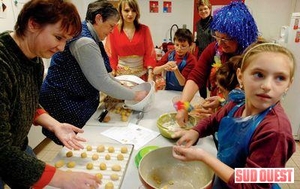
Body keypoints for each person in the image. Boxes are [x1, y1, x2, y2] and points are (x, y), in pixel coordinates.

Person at [0, 0, 100, 188]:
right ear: (33, 24)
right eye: (58, 37)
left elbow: (27, 102)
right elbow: (1, 151)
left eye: (66, 41)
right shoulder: (3, 63)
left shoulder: (35, 60)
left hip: (18, 147)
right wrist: (65, 178)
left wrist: (55, 125)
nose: (61, 48)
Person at [172, 41, 296, 188]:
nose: (267, 86)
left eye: (280, 78)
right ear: (240, 76)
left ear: (289, 84)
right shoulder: (239, 102)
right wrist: (195, 131)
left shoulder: (275, 131)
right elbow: (214, 120)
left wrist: (203, 156)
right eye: (259, 74)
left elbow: (251, 185)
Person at [39, 0, 148, 146]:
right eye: (110, 26)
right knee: (73, 141)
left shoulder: (87, 33)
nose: (111, 31)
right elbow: (102, 81)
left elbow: (103, 75)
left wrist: (123, 86)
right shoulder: (85, 42)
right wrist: (134, 95)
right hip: (64, 100)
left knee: (74, 141)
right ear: (98, 18)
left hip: (69, 96)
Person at [176, 1, 258, 126]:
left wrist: (224, 104)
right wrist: (183, 106)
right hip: (219, 115)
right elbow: (196, 76)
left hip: (244, 121)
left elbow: (254, 100)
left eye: (225, 39)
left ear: (241, 36)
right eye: (217, 37)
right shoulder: (214, 48)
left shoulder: (255, 56)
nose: (219, 43)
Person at [105, 0, 156, 82]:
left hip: (141, 75)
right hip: (122, 76)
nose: (130, 14)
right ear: (120, 12)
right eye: (126, 10)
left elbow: (149, 54)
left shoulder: (144, 29)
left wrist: (150, 75)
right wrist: (112, 72)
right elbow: (111, 56)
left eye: (133, 10)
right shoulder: (113, 31)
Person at [191, 0, 215, 99]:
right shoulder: (198, 24)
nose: (203, 11)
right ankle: (204, 99)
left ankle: (214, 99)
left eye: (205, 8)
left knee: (213, 80)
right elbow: (198, 37)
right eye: (200, 10)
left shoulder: (215, 22)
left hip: (214, 55)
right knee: (201, 79)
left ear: (209, 9)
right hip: (201, 55)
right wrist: (194, 43)